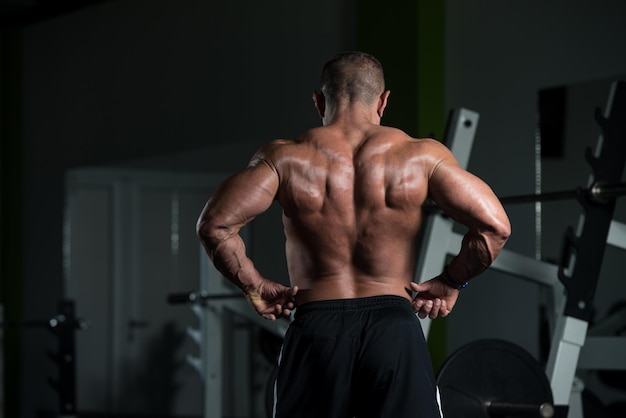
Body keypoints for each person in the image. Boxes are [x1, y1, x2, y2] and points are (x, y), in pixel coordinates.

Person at [196, 51, 511, 418]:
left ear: (318, 101)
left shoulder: (284, 158)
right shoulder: (421, 156)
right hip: (392, 329)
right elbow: (495, 227)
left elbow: (214, 225)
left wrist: (254, 285)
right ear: (383, 101)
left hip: (316, 329)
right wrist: (451, 282)